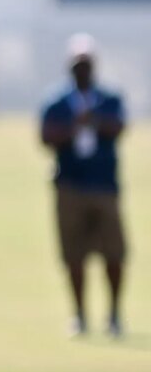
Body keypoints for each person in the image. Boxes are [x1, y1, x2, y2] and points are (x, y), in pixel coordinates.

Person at [40, 34, 128, 339]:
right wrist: (76, 125)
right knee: (74, 254)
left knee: (114, 253)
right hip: (70, 186)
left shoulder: (108, 98)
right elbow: (47, 136)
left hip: (104, 185)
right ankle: (79, 315)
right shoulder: (57, 102)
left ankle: (114, 314)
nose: (83, 70)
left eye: (87, 64)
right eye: (78, 64)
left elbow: (118, 127)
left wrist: (94, 120)